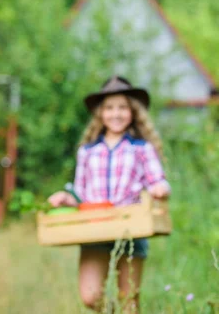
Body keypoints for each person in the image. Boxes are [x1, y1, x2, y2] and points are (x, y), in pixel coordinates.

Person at [48, 76, 170, 313]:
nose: (116, 114)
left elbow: (158, 181)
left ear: (133, 112)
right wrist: (65, 197)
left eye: (123, 107)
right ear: (101, 114)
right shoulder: (88, 152)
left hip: (132, 227)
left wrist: (160, 188)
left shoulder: (141, 148)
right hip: (96, 229)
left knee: (129, 301)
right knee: (90, 296)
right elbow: (80, 194)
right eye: (110, 108)